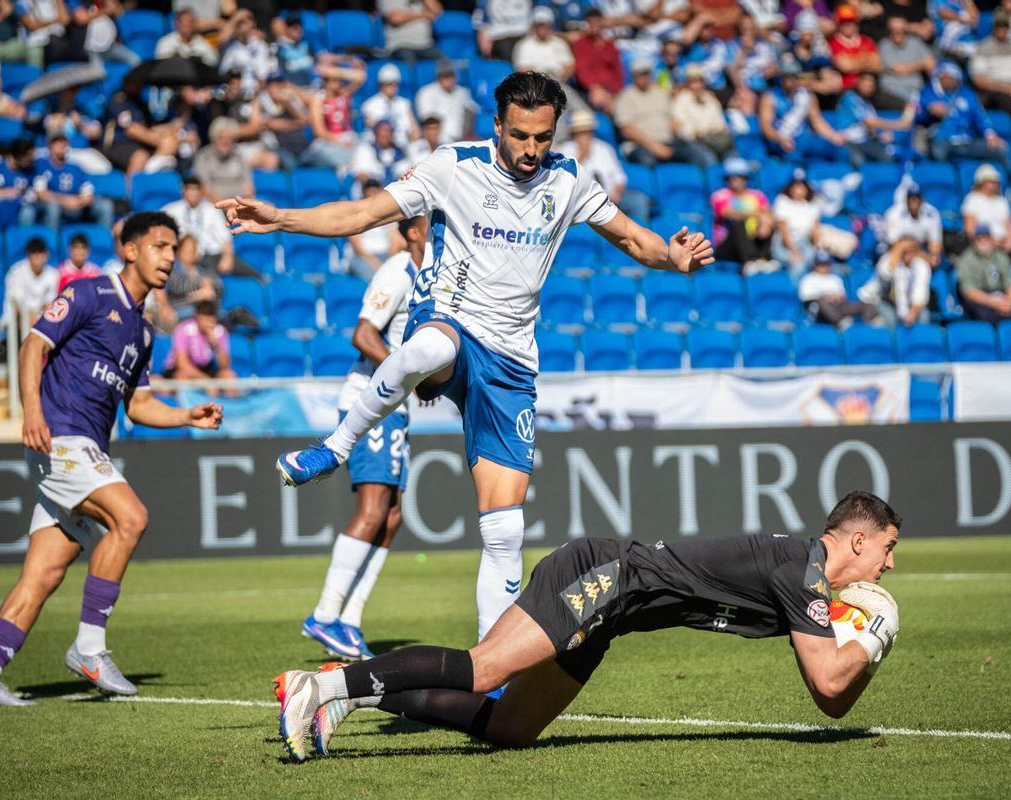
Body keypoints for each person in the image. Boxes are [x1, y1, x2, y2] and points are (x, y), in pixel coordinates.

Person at [219, 71, 714, 643]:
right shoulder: (452, 166)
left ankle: (490, 668)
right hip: (452, 322)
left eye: (543, 138)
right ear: (498, 125)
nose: (532, 149)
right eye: (521, 135)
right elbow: (362, 214)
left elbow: (632, 238)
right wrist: (279, 217)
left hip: (511, 362)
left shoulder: (570, 180)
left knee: (505, 530)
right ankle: (335, 447)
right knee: (425, 345)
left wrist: (673, 258)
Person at [272, 490, 903, 759]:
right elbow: (827, 685)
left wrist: (870, 648)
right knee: (485, 668)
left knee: (512, 728)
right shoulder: (804, 572)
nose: (890, 563)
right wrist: (873, 637)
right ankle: (320, 690)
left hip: (614, 613)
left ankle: (350, 688)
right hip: (604, 575)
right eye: (886, 548)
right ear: (855, 539)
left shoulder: (811, 578)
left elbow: (835, 706)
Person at [0, 212, 224, 707]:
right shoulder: (87, 294)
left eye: (173, 248)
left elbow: (138, 406)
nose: (169, 258)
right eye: (160, 246)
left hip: (86, 448)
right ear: (130, 249)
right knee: (131, 518)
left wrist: (188, 414)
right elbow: (32, 346)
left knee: (44, 572)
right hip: (62, 438)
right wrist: (32, 412)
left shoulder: (143, 333)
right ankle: (90, 648)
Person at [302, 215, 429, 662]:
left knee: (392, 516)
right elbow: (363, 334)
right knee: (374, 508)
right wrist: (406, 373)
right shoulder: (397, 270)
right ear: (412, 230)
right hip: (369, 400)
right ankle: (324, 613)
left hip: (398, 408)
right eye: (435, 222)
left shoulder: (433, 276)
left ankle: (350, 620)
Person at [557, 109, 650, 224]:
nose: (585, 135)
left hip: (611, 198)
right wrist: (582, 155)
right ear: (574, 132)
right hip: (582, 200)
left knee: (638, 200)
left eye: (588, 131)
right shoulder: (565, 151)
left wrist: (617, 192)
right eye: (581, 131)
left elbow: (620, 177)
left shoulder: (604, 148)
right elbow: (565, 180)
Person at [616, 58, 713, 167]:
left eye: (646, 74)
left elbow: (673, 121)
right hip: (639, 145)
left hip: (668, 142)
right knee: (647, 161)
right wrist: (654, 146)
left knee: (696, 155)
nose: (643, 77)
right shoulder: (625, 97)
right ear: (634, 76)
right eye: (640, 74)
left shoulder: (660, 93)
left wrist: (683, 132)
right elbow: (627, 129)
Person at [917, 61, 1011, 172]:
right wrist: (929, 110)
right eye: (946, 76)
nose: (950, 80)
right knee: (938, 154)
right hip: (942, 140)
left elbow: (980, 116)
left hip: (967, 140)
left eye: (953, 77)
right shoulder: (927, 93)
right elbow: (917, 117)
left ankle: (1010, 183)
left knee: (1000, 150)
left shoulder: (967, 94)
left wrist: (990, 135)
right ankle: (947, 182)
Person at [162, 175, 258, 279]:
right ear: (183, 191)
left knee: (246, 272)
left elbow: (225, 237)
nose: (193, 193)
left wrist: (227, 257)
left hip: (209, 256)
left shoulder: (212, 210)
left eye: (196, 189)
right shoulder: (171, 210)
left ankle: (264, 282)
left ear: (202, 191)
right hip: (181, 257)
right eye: (189, 189)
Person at [759, 61, 847, 161]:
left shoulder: (806, 96)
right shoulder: (770, 97)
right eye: (786, 77)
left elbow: (817, 121)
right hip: (779, 140)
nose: (789, 81)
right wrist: (780, 139)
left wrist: (834, 136)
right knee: (792, 154)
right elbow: (766, 127)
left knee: (837, 149)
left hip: (802, 138)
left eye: (792, 77)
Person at [33, 131, 114, 230]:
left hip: (77, 204)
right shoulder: (42, 165)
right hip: (56, 204)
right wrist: (65, 200)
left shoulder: (74, 167)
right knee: (52, 207)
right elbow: (41, 193)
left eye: (63, 141)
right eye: (57, 142)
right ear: (50, 145)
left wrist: (80, 201)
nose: (61, 145)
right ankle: (52, 241)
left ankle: (103, 239)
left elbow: (88, 192)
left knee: (105, 205)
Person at [835, 71, 915, 166]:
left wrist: (879, 136)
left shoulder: (868, 105)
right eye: (865, 83)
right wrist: (898, 124)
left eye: (871, 85)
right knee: (859, 159)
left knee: (892, 156)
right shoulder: (850, 97)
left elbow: (869, 130)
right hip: (848, 142)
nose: (868, 87)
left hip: (865, 143)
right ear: (858, 83)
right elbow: (869, 122)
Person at [956, 224, 1011, 322]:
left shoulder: (1001, 256)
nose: (983, 241)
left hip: (1002, 295)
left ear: (991, 239)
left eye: (986, 238)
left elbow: (1010, 283)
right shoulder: (966, 259)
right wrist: (995, 303)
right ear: (974, 240)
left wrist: (1010, 302)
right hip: (982, 298)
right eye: (979, 239)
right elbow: (969, 292)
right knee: (987, 316)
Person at [710, 157, 775, 269]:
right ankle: (749, 261)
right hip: (727, 246)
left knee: (769, 223)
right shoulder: (720, 195)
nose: (735, 180)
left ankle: (763, 259)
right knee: (739, 224)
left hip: (754, 239)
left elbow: (768, 213)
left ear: (745, 178)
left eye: (739, 177)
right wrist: (757, 215)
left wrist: (765, 223)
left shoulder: (758, 195)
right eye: (732, 177)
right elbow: (726, 212)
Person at [671, 64, 736, 165]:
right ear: (688, 83)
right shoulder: (681, 100)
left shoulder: (711, 99)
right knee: (709, 159)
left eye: (699, 81)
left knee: (732, 156)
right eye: (693, 82)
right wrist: (694, 133)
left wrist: (720, 129)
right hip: (693, 142)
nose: (697, 86)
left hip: (713, 139)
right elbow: (678, 127)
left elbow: (719, 123)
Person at [860, 237, 931, 327]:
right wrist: (898, 250)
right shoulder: (887, 259)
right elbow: (885, 274)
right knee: (891, 319)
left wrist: (912, 313)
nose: (908, 254)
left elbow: (920, 292)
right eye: (904, 250)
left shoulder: (921, 265)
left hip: (909, 304)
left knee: (924, 316)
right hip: (881, 300)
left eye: (911, 250)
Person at [163, 300, 237, 382]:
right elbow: (182, 364)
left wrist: (216, 346)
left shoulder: (220, 332)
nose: (209, 322)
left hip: (206, 369)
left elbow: (225, 366)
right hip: (181, 370)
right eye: (206, 317)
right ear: (197, 316)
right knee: (182, 377)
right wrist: (205, 381)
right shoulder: (184, 330)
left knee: (229, 376)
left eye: (212, 318)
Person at [799, 250, 879, 325]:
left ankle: (867, 327)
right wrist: (826, 297)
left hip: (838, 306)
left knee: (868, 304)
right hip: (820, 309)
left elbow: (842, 295)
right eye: (820, 264)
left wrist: (837, 297)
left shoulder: (835, 278)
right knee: (821, 303)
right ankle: (840, 323)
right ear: (815, 265)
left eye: (826, 264)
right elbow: (806, 297)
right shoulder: (808, 278)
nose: (824, 267)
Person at [0, 236, 59, 332]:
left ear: (47, 254)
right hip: (15, 321)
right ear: (28, 255)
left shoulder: (53, 274)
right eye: (34, 252)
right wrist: (29, 317)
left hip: (41, 320)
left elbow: (49, 303)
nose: (38, 256)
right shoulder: (16, 272)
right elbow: (16, 304)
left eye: (41, 252)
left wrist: (38, 318)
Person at [571, 9, 624, 114]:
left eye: (597, 22)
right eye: (591, 22)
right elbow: (582, 71)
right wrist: (594, 88)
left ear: (602, 23)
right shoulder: (580, 44)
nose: (594, 25)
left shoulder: (610, 45)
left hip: (612, 90)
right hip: (592, 90)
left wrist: (616, 92)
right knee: (600, 101)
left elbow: (617, 71)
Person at [771, 172, 821, 278]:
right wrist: (794, 251)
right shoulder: (782, 200)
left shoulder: (812, 204)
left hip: (805, 242)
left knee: (822, 263)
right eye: (795, 185)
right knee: (798, 265)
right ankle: (797, 293)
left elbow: (815, 229)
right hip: (784, 244)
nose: (798, 189)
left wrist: (818, 250)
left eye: (801, 186)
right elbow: (783, 230)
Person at [194, 117, 254, 205]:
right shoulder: (204, 157)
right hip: (213, 205)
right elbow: (204, 189)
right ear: (214, 138)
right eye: (221, 137)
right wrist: (226, 206)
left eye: (229, 138)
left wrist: (241, 205)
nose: (225, 141)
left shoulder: (240, 156)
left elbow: (248, 188)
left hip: (239, 204)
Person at [360, 63, 420, 150]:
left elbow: (415, 132)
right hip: (378, 147)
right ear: (381, 85)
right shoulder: (370, 104)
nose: (392, 86)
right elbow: (372, 131)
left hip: (402, 147)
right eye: (388, 83)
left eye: (394, 83)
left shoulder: (404, 103)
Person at [415, 61, 477, 145]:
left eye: (451, 75)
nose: (448, 79)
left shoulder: (463, 92)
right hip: (436, 141)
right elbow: (428, 121)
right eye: (444, 76)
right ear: (438, 77)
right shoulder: (426, 92)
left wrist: (464, 136)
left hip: (460, 139)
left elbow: (471, 113)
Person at [883, 183, 943, 268]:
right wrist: (910, 247)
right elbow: (894, 245)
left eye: (916, 198)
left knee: (923, 266)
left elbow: (935, 250)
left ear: (922, 200)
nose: (913, 201)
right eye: (910, 198)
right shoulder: (895, 213)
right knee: (886, 268)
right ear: (906, 200)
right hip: (898, 255)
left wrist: (915, 253)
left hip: (920, 255)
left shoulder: (932, 214)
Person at [878, 16, 934, 104]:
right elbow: (900, 69)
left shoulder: (916, 42)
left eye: (901, 30)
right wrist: (922, 65)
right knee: (920, 105)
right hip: (893, 91)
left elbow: (931, 64)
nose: (897, 32)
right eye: (893, 29)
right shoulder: (884, 45)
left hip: (917, 89)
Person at [961, 164, 1011, 255]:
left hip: (1003, 245)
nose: (993, 184)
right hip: (982, 244)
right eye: (990, 181)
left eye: (995, 182)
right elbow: (970, 229)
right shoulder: (972, 199)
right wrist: (991, 241)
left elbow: (1009, 227)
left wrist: (1009, 242)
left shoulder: (1002, 201)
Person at [512, 6, 574, 81]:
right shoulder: (524, 45)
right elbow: (522, 69)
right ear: (534, 26)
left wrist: (560, 79)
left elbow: (570, 66)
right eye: (540, 25)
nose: (543, 28)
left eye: (546, 24)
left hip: (560, 82)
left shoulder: (560, 43)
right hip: (534, 84)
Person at [828, 4, 881, 91]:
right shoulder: (833, 43)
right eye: (843, 22)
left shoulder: (867, 40)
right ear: (838, 24)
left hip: (870, 90)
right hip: (847, 89)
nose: (847, 25)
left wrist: (852, 62)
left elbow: (877, 65)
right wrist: (866, 59)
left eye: (851, 21)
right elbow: (844, 66)